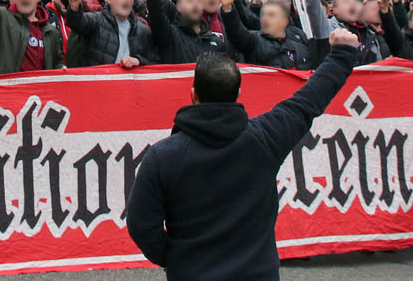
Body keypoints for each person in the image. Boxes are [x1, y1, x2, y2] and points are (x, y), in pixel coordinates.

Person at [126, 29, 360, 280]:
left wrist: (176, 257)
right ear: (237, 94)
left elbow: (141, 225)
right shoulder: (266, 137)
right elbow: (309, 101)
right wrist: (342, 54)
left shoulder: (163, 156)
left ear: (193, 95)